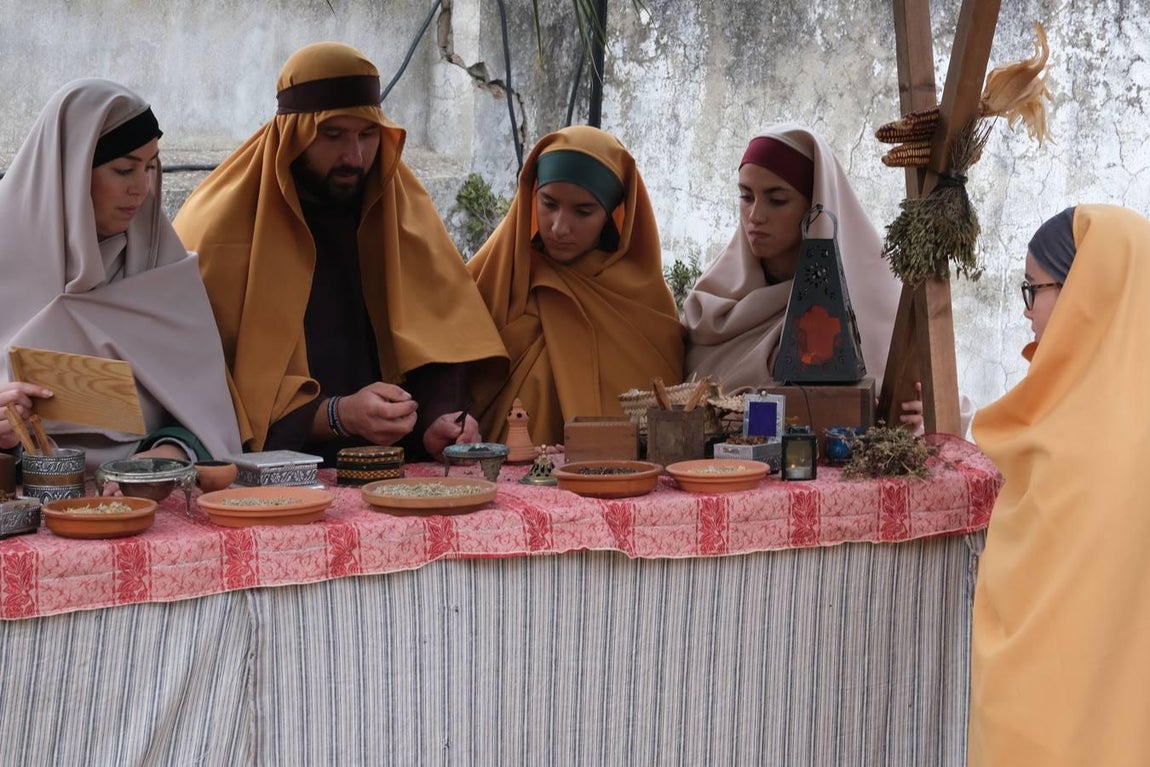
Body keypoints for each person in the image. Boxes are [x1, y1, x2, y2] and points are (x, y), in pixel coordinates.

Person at [174, 43, 508, 463]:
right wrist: (335, 414)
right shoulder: (219, 226)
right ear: (293, 134)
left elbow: (439, 341)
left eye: (368, 135)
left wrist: (437, 422)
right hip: (279, 479)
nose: (354, 156)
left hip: (398, 477)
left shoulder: (400, 209)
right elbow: (213, 392)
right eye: (332, 136)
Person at [968, 205, 1150, 765]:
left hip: (1049, 716)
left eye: (1033, 290)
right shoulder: (1112, 408)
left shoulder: (1080, 434)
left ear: (1083, 294)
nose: (1026, 313)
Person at [0, 79, 242, 471]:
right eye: (124, 169)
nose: (143, 189)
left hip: (144, 500)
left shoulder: (161, 266)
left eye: (150, 167)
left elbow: (208, 412)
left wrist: (171, 453)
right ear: (71, 172)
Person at [682, 124, 932, 431]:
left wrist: (920, 413)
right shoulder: (712, 307)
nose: (755, 216)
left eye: (777, 200)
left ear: (815, 204)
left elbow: (903, 408)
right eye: (746, 196)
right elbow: (689, 406)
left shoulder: (874, 299)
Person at [466, 126, 685, 444]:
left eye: (583, 211)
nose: (559, 227)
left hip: (618, 487)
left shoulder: (644, 303)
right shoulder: (499, 277)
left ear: (613, 214)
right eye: (549, 203)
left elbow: (661, 421)